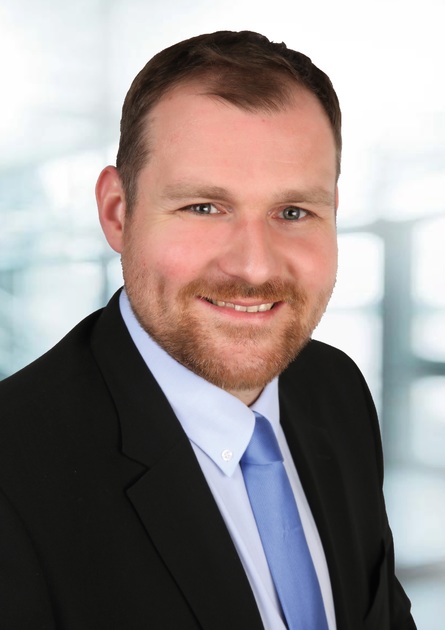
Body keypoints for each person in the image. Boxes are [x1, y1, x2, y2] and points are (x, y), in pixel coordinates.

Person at [0, 30, 416, 630]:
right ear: (118, 212)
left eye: (293, 212)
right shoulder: (13, 477)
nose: (254, 267)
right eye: (203, 208)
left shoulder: (335, 388)